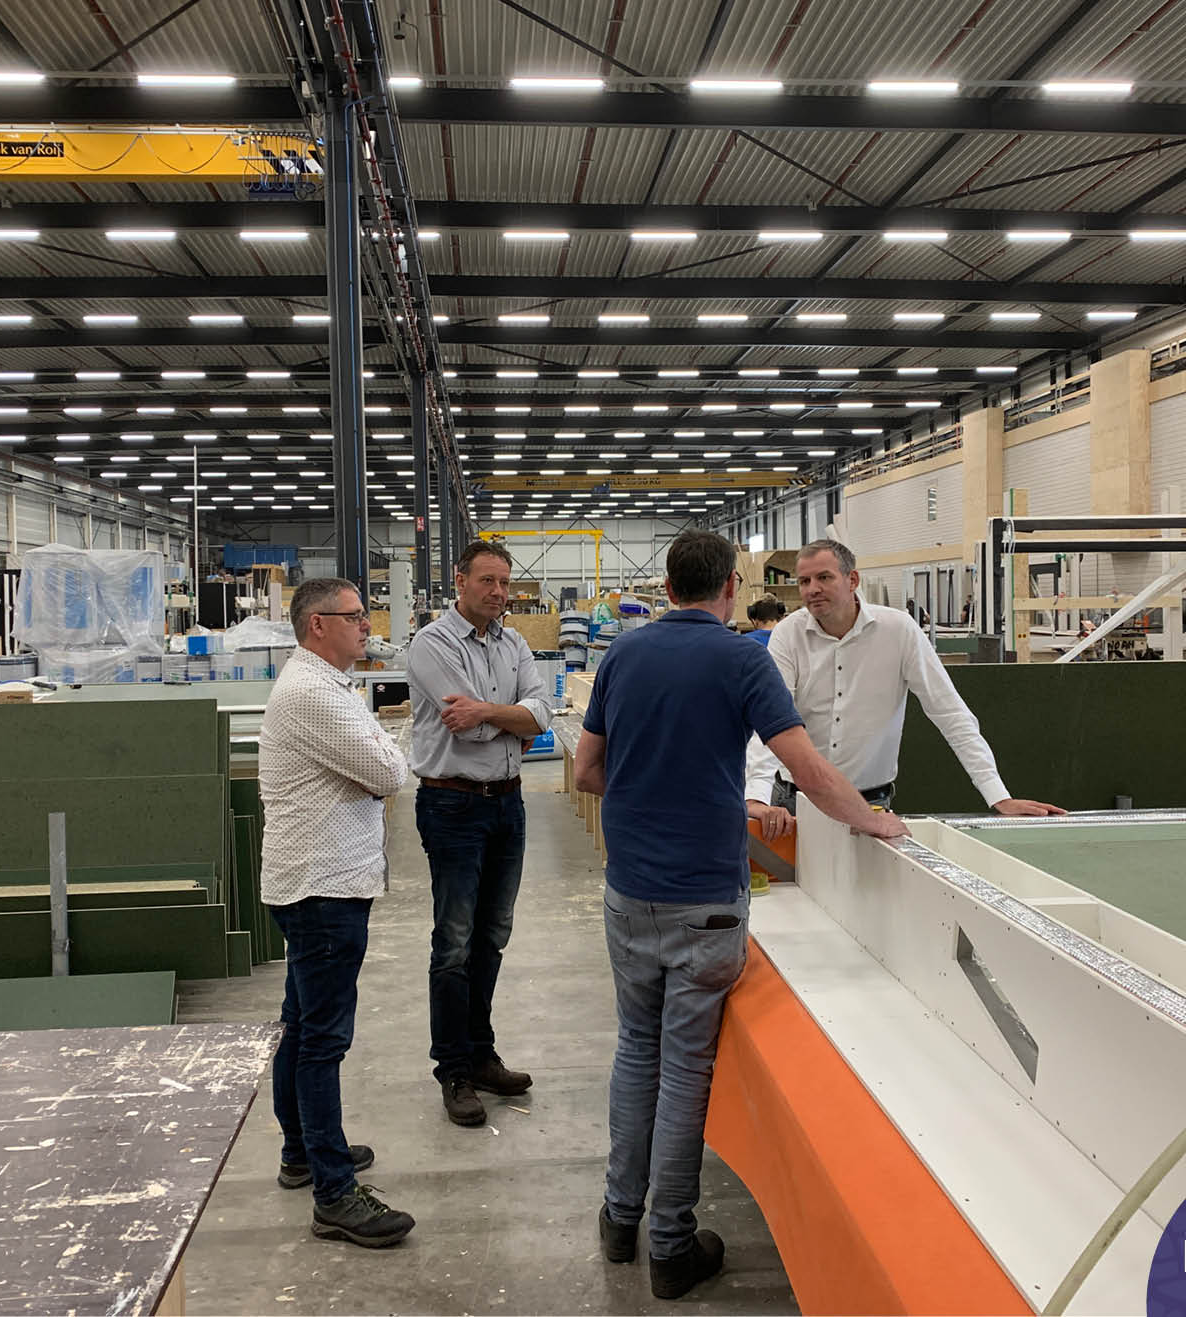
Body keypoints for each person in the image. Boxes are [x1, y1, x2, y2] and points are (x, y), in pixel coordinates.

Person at [572, 529, 910, 1301]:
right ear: (731, 586)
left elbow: (588, 770)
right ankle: (670, 1245)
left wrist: (651, 795)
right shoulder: (742, 659)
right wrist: (872, 820)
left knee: (636, 1049)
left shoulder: (623, 654)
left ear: (666, 588)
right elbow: (807, 769)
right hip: (705, 903)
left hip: (629, 891)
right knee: (685, 1068)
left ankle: (619, 1217)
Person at [259, 576, 415, 1248]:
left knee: (300, 1026)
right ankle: (333, 1193)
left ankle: (302, 1151)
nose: (366, 627)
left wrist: (377, 750)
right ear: (317, 624)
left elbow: (378, 762)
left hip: (314, 882)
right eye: (354, 617)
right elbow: (389, 773)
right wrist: (381, 755)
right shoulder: (314, 694)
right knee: (322, 1040)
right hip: (323, 888)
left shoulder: (326, 686)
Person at [746, 539, 1063, 839]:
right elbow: (772, 722)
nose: (812, 589)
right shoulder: (788, 635)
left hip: (871, 803)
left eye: (824, 577)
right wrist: (757, 797)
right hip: (794, 802)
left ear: (852, 580)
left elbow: (950, 713)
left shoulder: (898, 631)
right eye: (804, 581)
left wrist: (998, 795)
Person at [406, 540, 554, 1127]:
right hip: (453, 805)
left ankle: (481, 1053)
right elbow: (464, 730)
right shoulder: (432, 643)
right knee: (455, 941)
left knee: (492, 936)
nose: (498, 592)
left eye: (505, 583)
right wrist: (511, 717)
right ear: (460, 580)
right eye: (487, 581)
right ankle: (454, 1070)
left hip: (508, 805)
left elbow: (542, 713)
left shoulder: (513, 643)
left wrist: (491, 712)